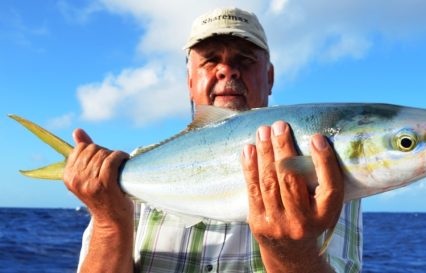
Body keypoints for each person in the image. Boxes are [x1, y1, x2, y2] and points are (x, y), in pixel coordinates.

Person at [66, 7, 362, 273]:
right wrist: (109, 222)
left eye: (244, 60)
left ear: (269, 78)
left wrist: (291, 253)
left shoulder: (324, 170)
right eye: (210, 61)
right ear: (190, 81)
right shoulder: (133, 167)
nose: (227, 70)